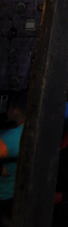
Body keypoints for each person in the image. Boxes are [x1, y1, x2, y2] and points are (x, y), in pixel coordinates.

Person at [0, 90, 27, 220]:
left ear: (16, 110)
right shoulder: (40, 132)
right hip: (25, 192)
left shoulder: (6, 140)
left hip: (5, 194)